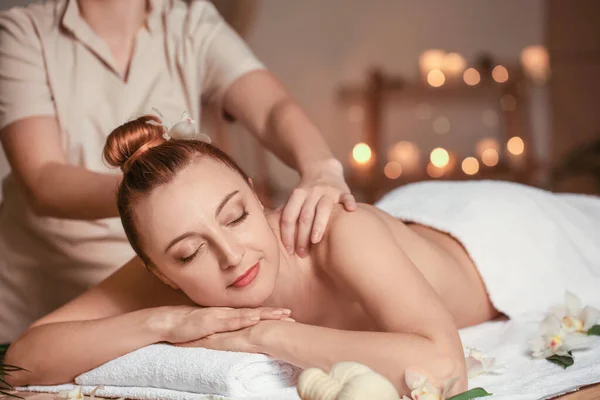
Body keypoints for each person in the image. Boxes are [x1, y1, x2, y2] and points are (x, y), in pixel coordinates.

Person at [6, 115, 600, 397]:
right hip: (412, 216)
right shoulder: (171, 283)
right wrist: (165, 322)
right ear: (160, 272)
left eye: (237, 215)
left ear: (261, 198)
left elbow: (443, 364)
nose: (231, 254)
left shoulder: (337, 234)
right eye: (189, 254)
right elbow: (24, 360)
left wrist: (261, 339)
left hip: (504, 239)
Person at [0, 0, 355, 343]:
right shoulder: (23, 33)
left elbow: (271, 108)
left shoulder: (190, 23)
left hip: (171, 290)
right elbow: (44, 180)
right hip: (48, 303)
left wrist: (320, 167)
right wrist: (159, 200)